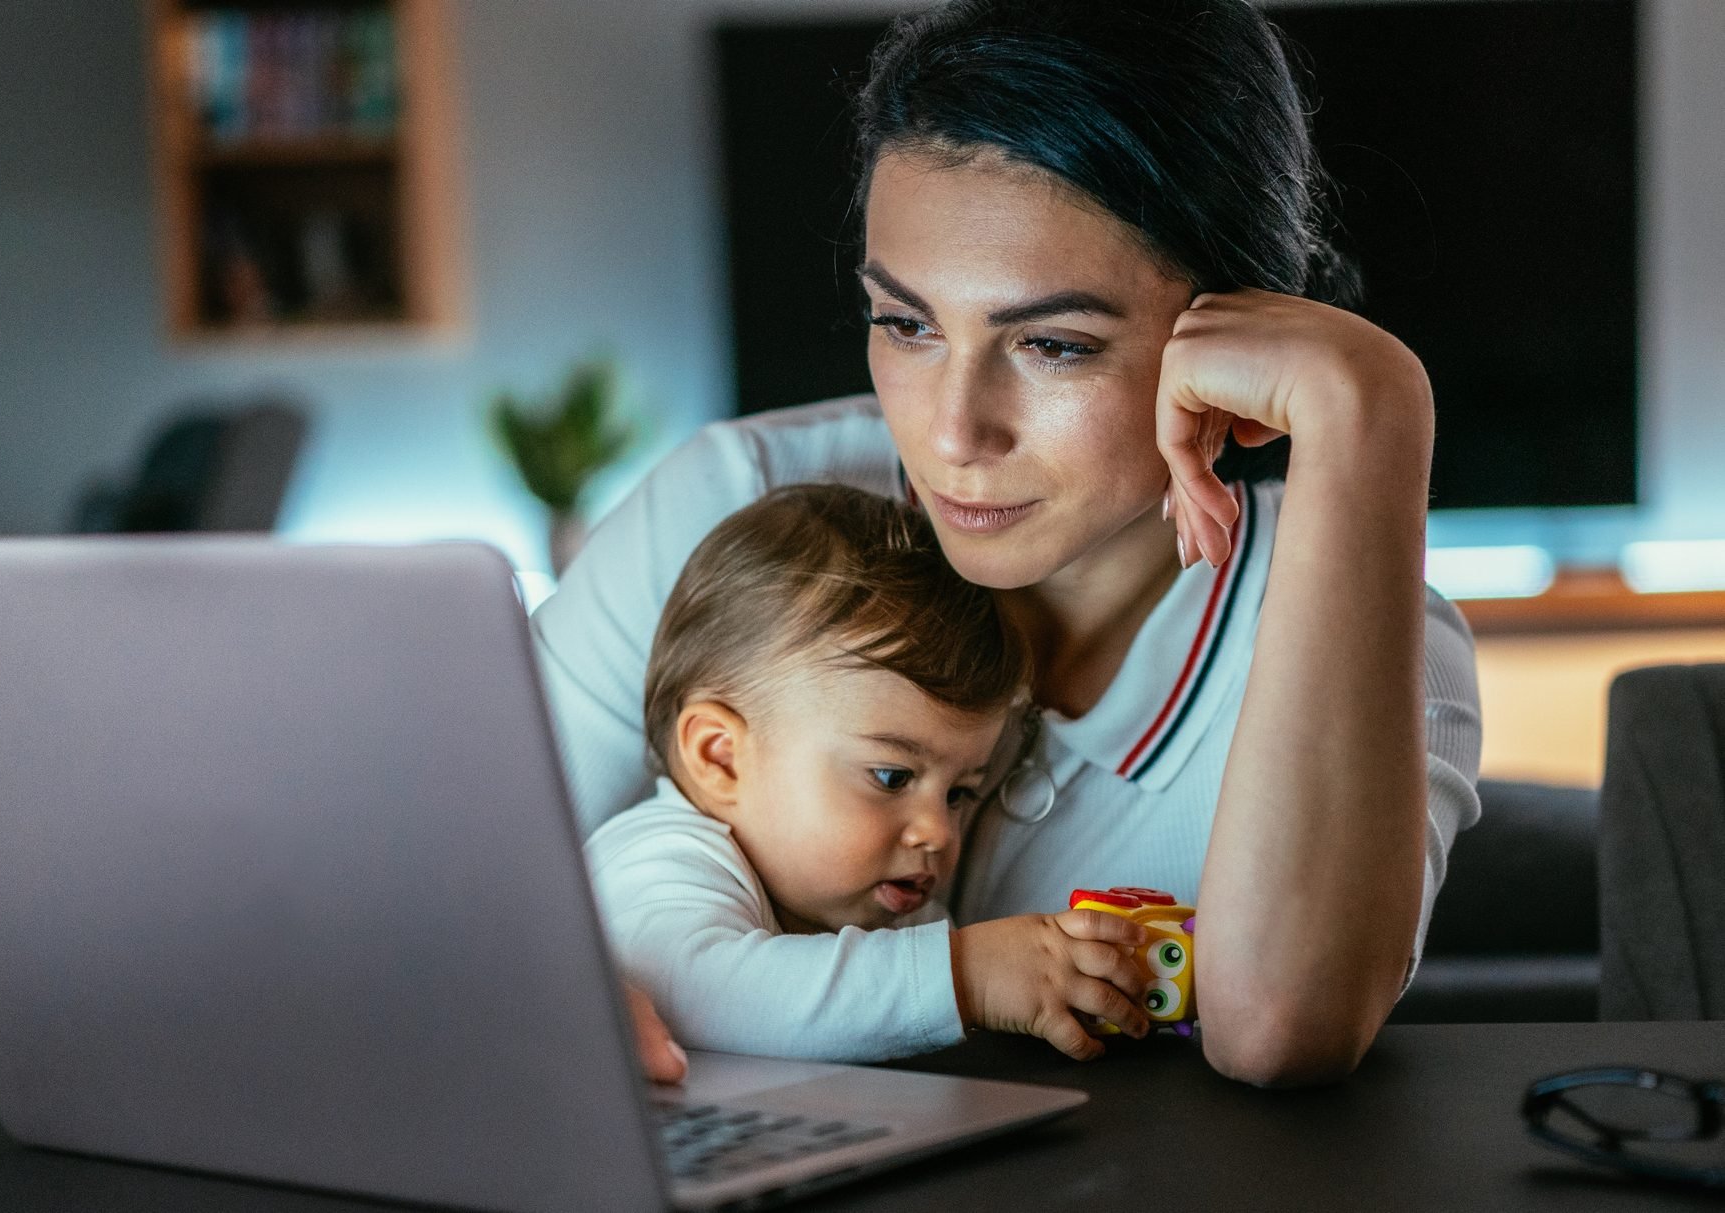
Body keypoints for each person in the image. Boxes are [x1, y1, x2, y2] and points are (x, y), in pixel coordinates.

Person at [541, 0, 1480, 1088]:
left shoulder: (1380, 640)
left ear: (1235, 354)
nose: (950, 434)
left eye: (1050, 344)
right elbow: (431, 879)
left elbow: (1276, 1029)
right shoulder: (729, 504)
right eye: (905, 324)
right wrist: (534, 968)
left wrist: (1368, 412)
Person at [586, 483, 1156, 1063]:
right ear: (720, 758)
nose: (938, 832)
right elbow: (698, 994)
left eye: (959, 792)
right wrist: (966, 977)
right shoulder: (659, 862)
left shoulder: (874, 909)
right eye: (892, 777)